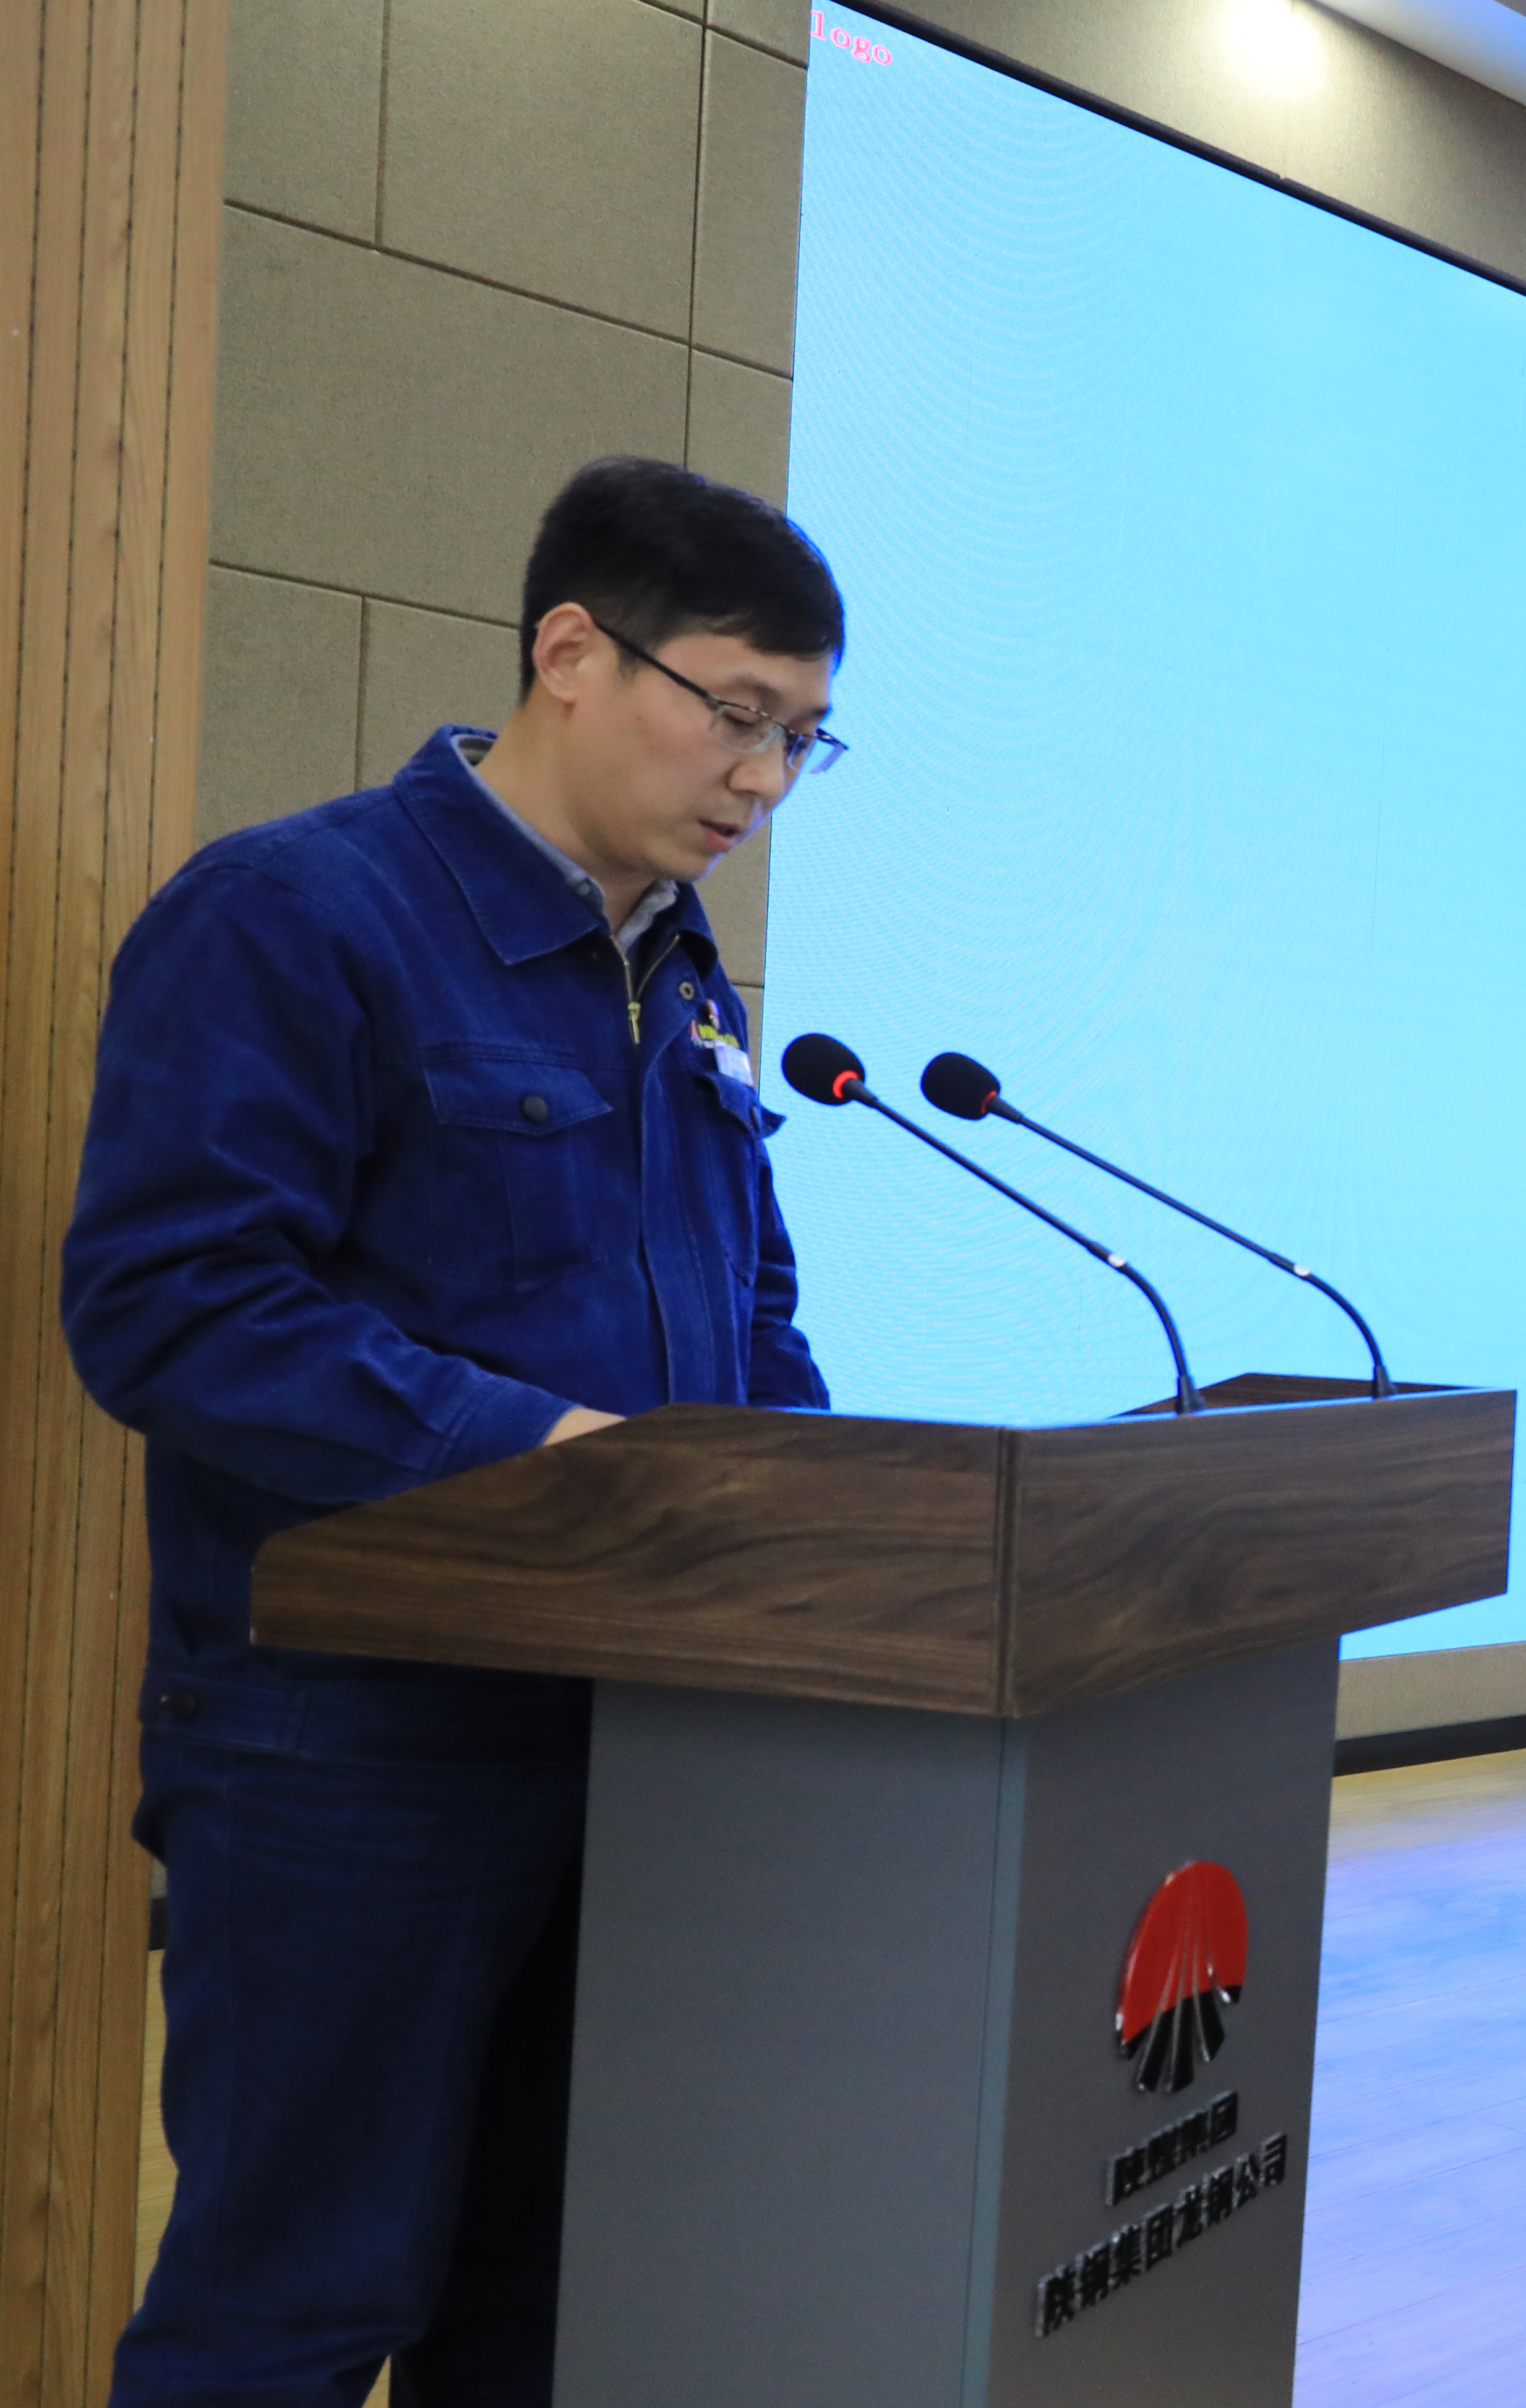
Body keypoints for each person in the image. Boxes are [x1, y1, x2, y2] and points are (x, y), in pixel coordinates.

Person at [63, 457, 846, 2407]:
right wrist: (550, 1448)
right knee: (287, 2312)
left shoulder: (684, 976)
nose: (763, 778)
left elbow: (749, 1309)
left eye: (805, 739)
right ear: (572, 652)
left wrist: (818, 1502)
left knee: (550, 2312)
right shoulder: (294, 913)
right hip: (350, 1755)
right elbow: (171, 1300)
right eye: (737, 712)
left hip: (643, 1739)